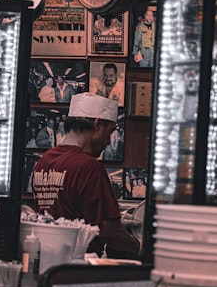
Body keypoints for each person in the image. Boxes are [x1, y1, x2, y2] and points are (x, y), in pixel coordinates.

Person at [31, 93, 140, 258]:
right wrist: (138, 245)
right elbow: (108, 231)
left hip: (48, 259)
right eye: (109, 132)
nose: (109, 142)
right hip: (80, 264)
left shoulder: (44, 162)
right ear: (97, 125)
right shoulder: (89, 167)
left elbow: (68, 210)